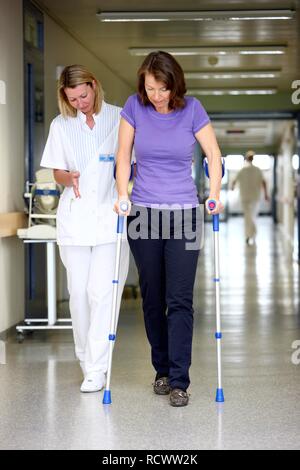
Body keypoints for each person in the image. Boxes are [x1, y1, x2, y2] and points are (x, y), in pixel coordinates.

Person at [115, 51, 223, 407]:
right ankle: (160, 369)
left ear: (174, 84)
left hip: (186, 215)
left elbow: (213, 155)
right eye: (150, 88)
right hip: (144, 213)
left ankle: (179, 380)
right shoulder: (134, 106)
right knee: (153, 297)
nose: (157, 96)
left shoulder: (192, 109)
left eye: (162, 88)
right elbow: (123, 156)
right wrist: (121, 194)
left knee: (180, 300)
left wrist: (215, 192)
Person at [40, 65, 129, 393]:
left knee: (102, 294)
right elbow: (56, 171)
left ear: (94, 85)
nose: (80, 103)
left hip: (109, 218)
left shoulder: (120, 116)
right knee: (78, 296)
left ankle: (97, 368)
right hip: (76, 220)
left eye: (84, 95)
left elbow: (131, 161)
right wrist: (69, 178)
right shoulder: (61, 125)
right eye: (73, 98)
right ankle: (84, 359)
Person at [231, 150, 269, 245]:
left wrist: (232, 187)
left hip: (244, 197)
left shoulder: (242, 170)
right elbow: (264, 182)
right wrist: (265, 194)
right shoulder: (257, 170)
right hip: (255, 197)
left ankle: (248, 235)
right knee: (252, 216)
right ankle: (252, 234)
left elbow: (234, 181)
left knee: (248, 217)